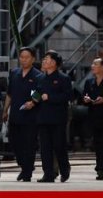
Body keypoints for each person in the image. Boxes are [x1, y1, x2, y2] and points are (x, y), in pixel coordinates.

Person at [3, 46, 43, 182]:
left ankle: (26, 172)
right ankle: (24, 166)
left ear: (32, 59)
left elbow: (38, 93)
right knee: (15, 143)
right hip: (15, 114)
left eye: (27, 57)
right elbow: (10, 94)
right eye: (21, 57)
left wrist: (33, 102)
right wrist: (5, 110)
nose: (24, 60)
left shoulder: (37, 75)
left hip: (30, 116)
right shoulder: (14, 73)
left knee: (29, 145)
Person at [34, 50, 72, 183]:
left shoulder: (63, 78)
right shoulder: (40, 78)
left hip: (57, 118)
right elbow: (36, 93)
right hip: (42, 118)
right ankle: (48, 174)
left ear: (54, 63)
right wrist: (33, 100)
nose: (44, 61)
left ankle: (64, 169)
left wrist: (50, 97)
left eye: (47, 59)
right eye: (44, 59)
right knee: (45, 148)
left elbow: (68, 96)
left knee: (59, 145)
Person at [83, 57, 103, 180]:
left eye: (95, 64)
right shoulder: (89, 82)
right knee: (97, 143)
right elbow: (84, 95)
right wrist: (86, 99)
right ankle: (100, 167)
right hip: (93, 116)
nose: (92, 66)